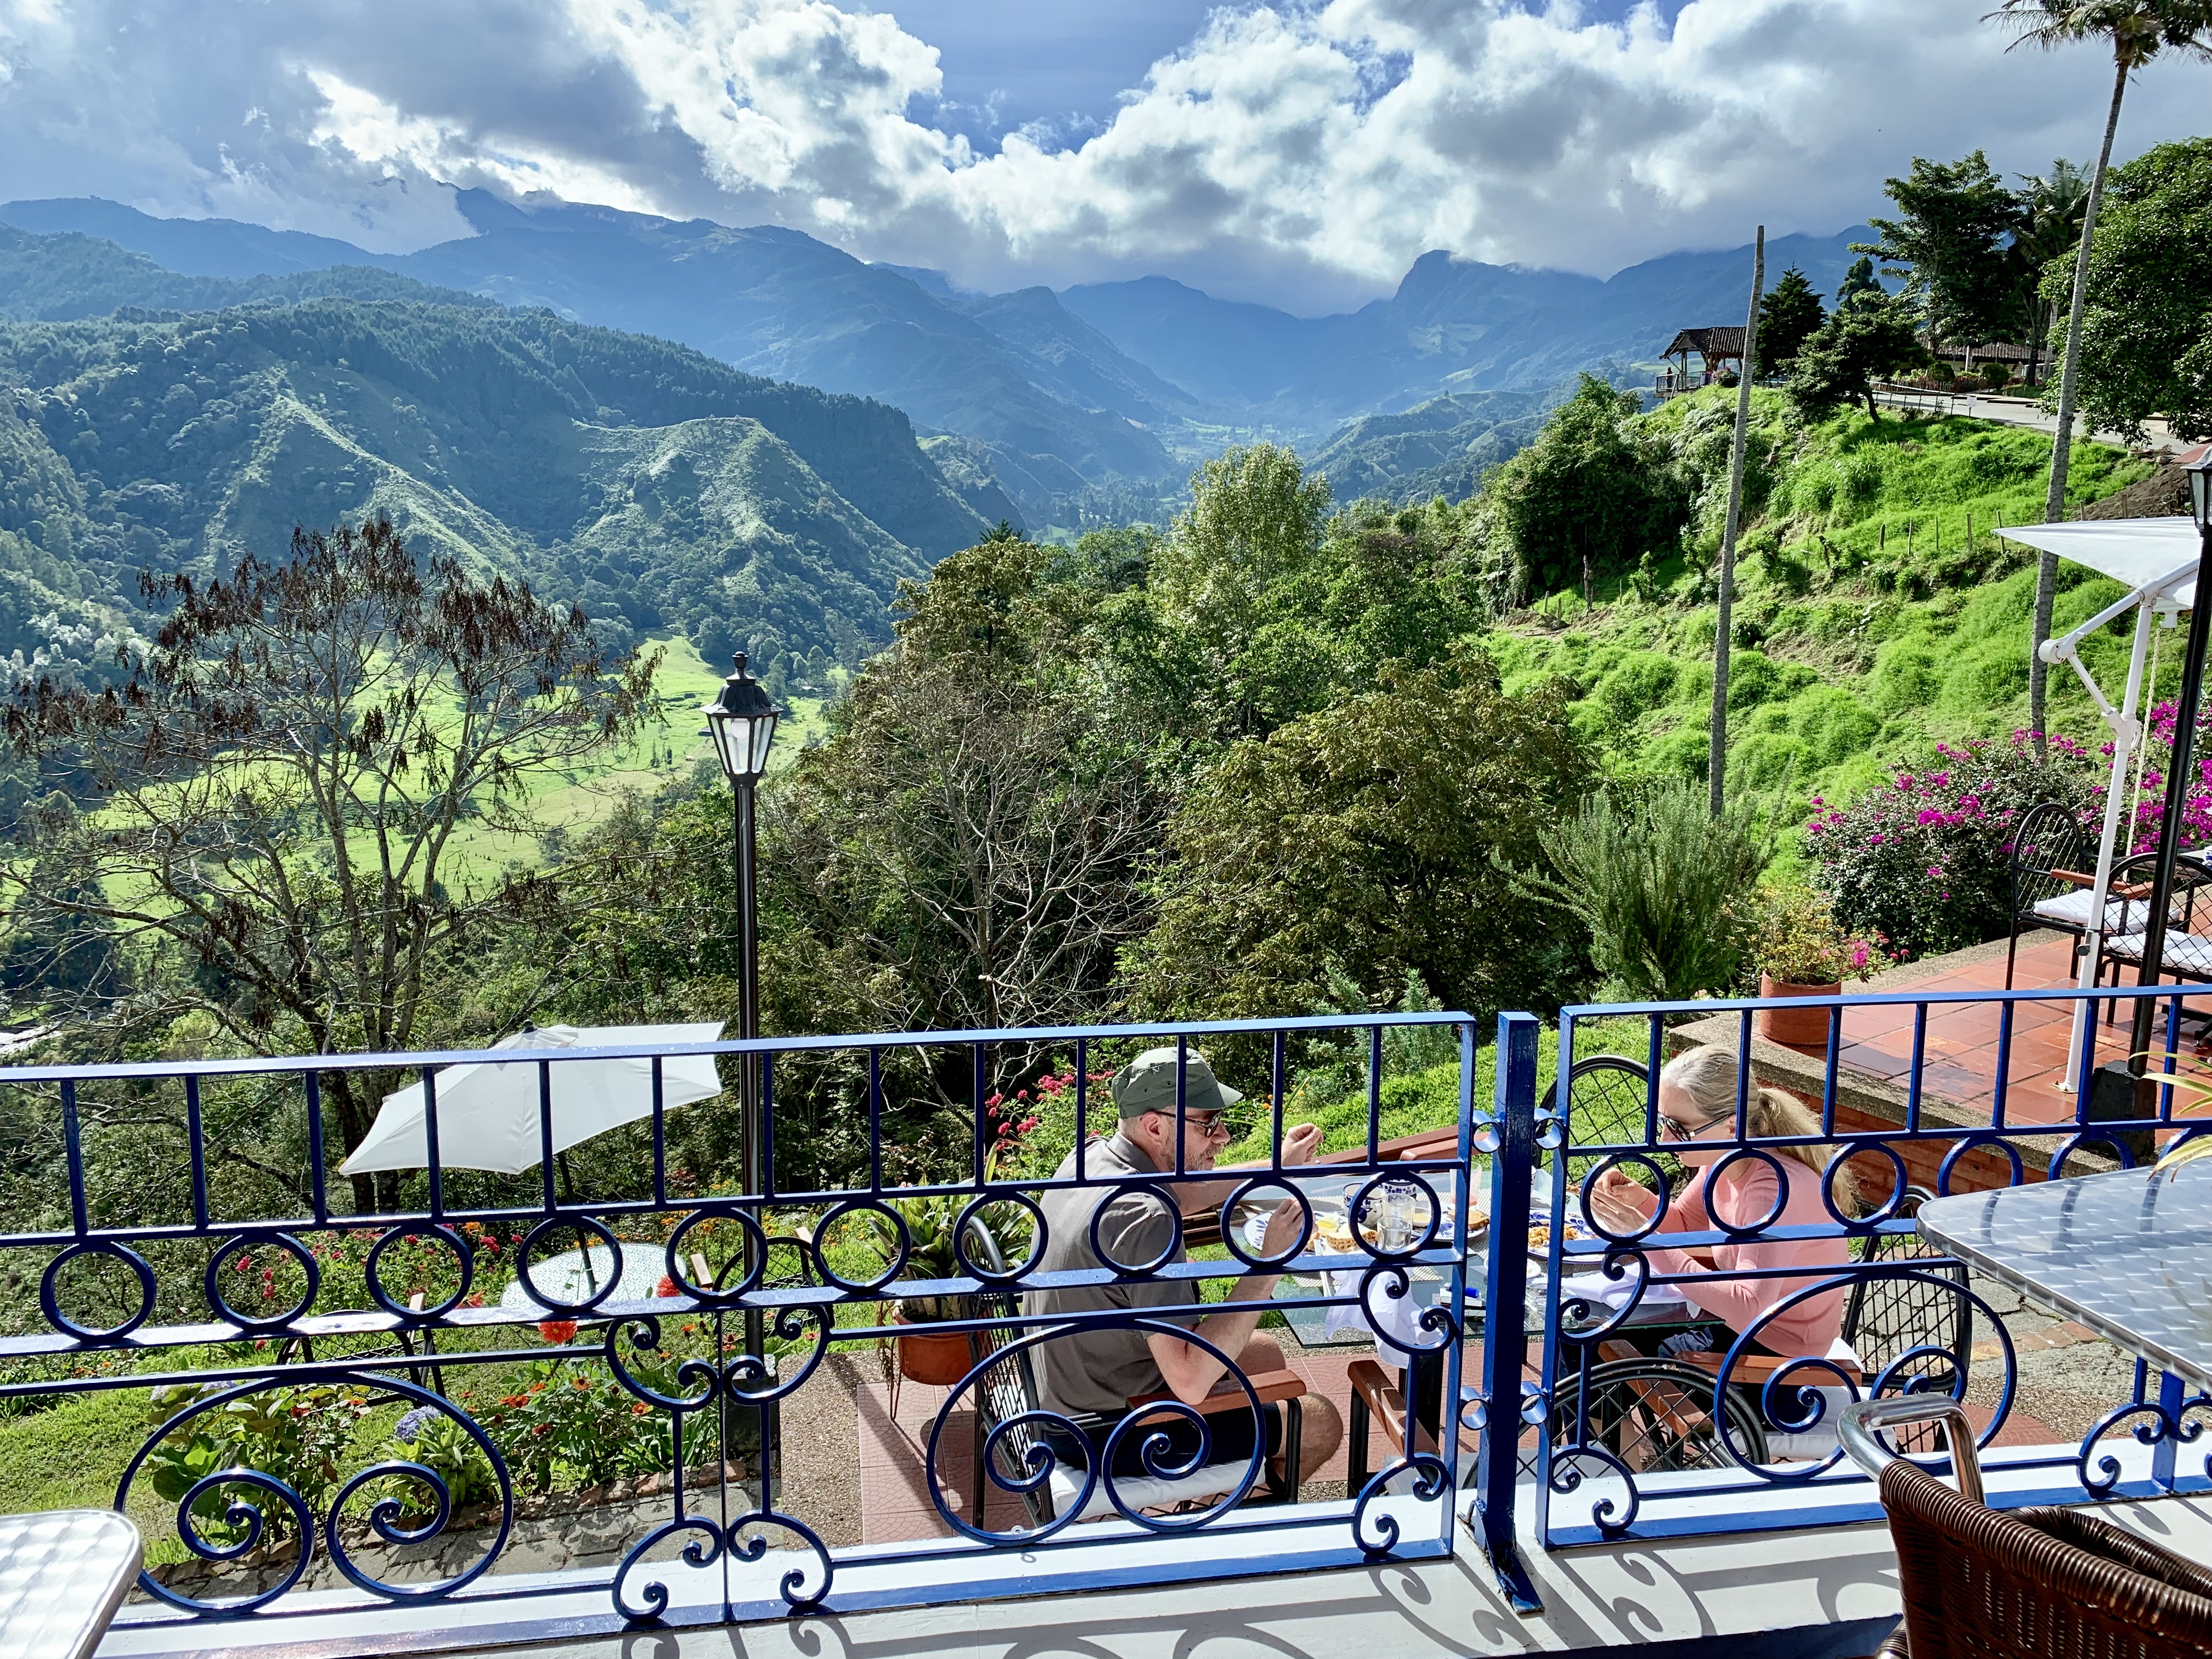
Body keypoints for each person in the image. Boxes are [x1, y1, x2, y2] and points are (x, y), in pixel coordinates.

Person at [1023, 1046, 1344, 1488]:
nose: (1224, 1135)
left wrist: (1278, 1166)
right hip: (1106, 1431)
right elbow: (1190, 1382)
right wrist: (1268, 1265)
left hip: (1063, 1396)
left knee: (1265, 1351)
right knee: (1320, 1421)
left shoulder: (1093, 1159)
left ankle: (1240, 1493)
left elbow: (1188, 1191)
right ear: (1155, 1126)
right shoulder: (1145, 1219)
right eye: (1207, 1123)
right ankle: (1241, 1525)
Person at [1583, 1045, 1858, 1366]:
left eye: (1680, 1129)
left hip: (1776, 1360)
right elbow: (1686, 1224)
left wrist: (1646, 1243)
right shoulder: (1724, 1161)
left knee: (1593, 1348)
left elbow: (1747, 1306)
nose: (1664, 1140)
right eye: (1662, 1123)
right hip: (1735, 1328)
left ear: (1731, 1125)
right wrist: (1640, 1199)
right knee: (1585, 1337)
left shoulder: (1773, 1193)